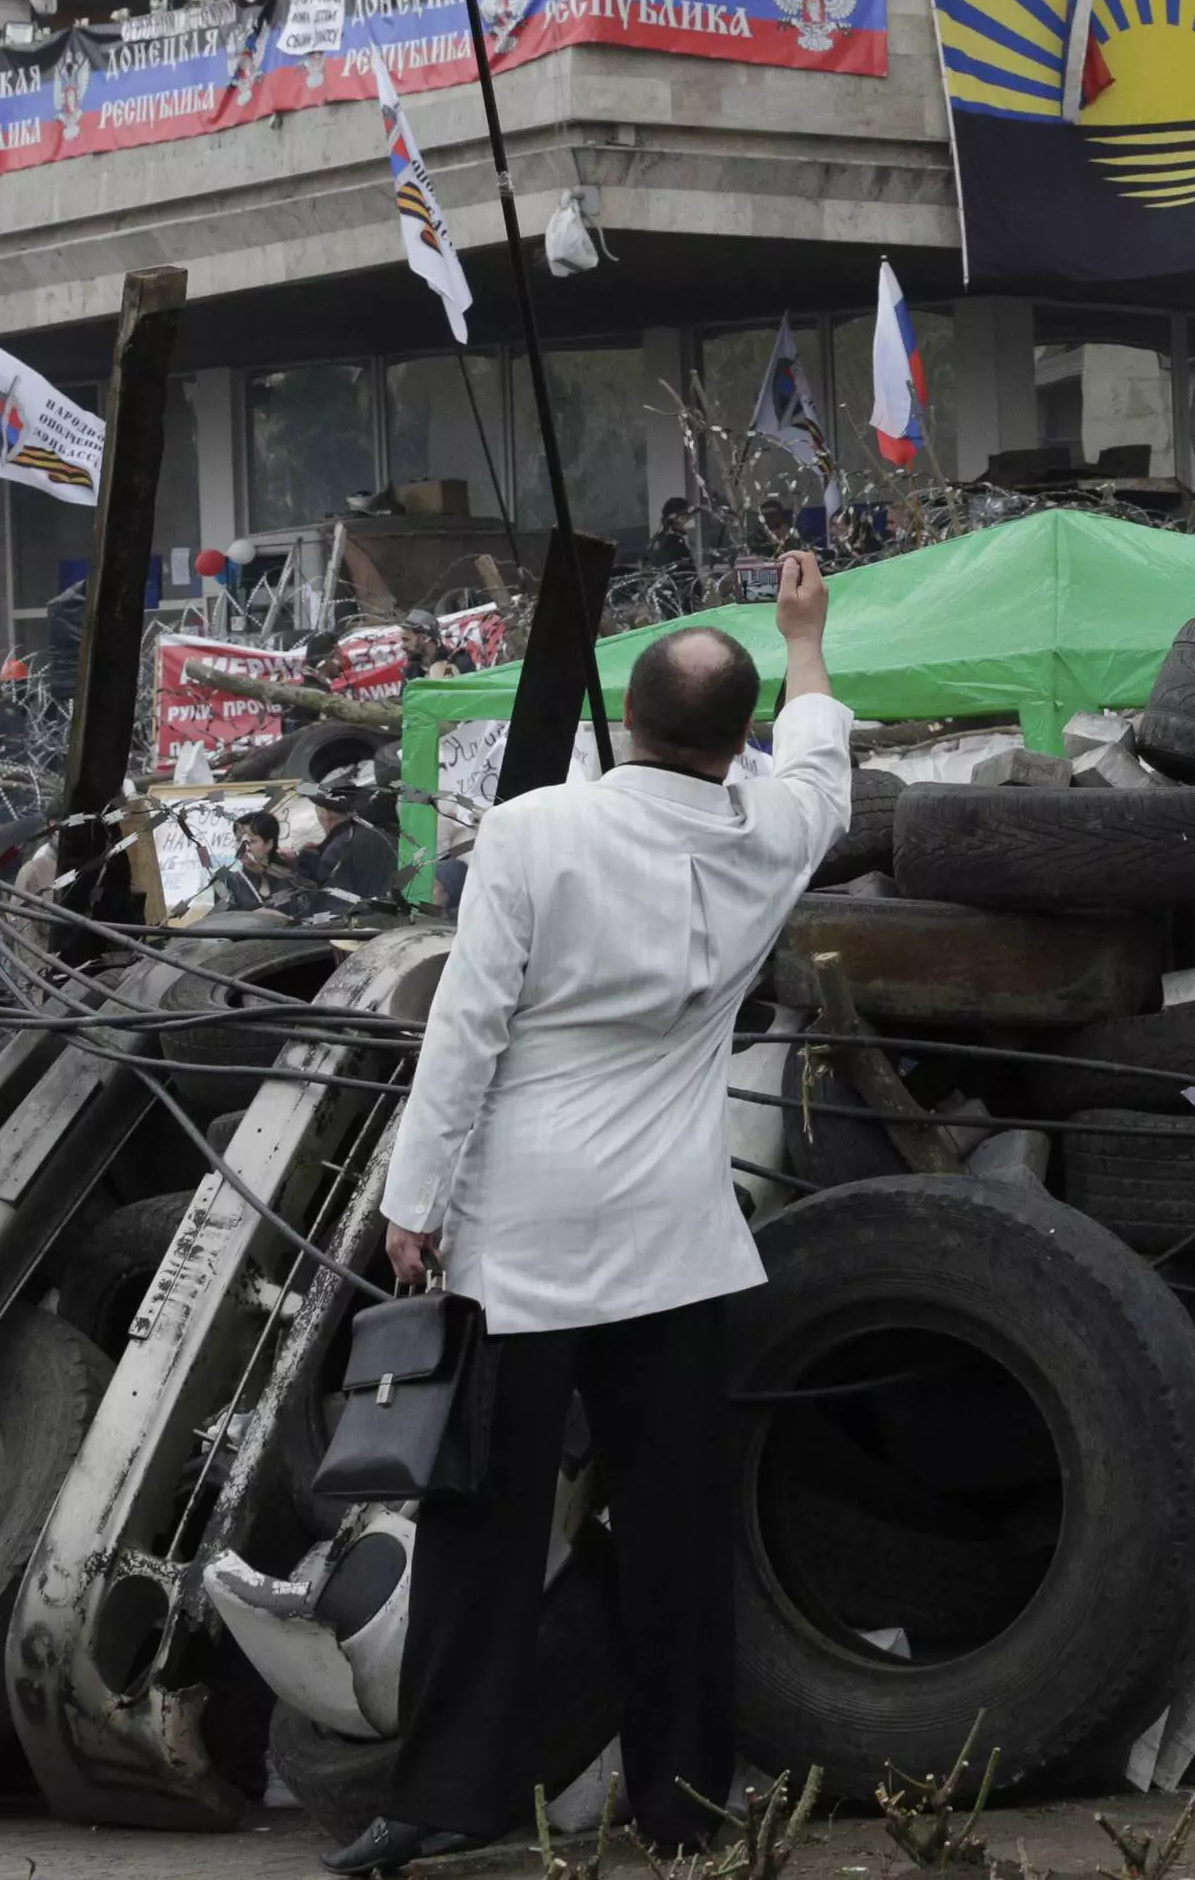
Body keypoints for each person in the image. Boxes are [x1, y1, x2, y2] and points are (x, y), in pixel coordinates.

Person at [333, 551, 845, 1875]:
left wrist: (413, 1202)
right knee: (675, 1532)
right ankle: (686, 1805)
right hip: (676, 1240)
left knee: (479, 1531)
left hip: (520, 1237)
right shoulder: (769, 841)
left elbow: (467, 1029)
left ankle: (446, 1798)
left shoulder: (532, 832)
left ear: (633, 708)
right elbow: (821, 770)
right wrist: (804, 640)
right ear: (733, 740)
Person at [291, 764, 398, 907]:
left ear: (327, 815)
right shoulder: (386, 835)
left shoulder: (339, 848)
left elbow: (332, 903)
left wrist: (302, 868)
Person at [206, 809, 293, 915]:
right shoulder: (225, 882)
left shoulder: (289, 878)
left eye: (251, 841)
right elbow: (223, 923)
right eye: (238, 840)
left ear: (269, 844)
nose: (243, 847)